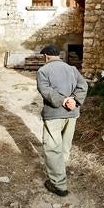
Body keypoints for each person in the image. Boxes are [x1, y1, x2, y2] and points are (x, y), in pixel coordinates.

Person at [36, 44, 88, 197]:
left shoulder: (43, 70)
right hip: (72, 114)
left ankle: (58, 185)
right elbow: (83, 86)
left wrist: (63, 100)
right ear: (58, 55)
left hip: (54, 114)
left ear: (46, 56)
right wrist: (74, 101)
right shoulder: (72, 69)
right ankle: (61, 171)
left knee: (53, 147)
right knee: (65, 146)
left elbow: (45, 90)